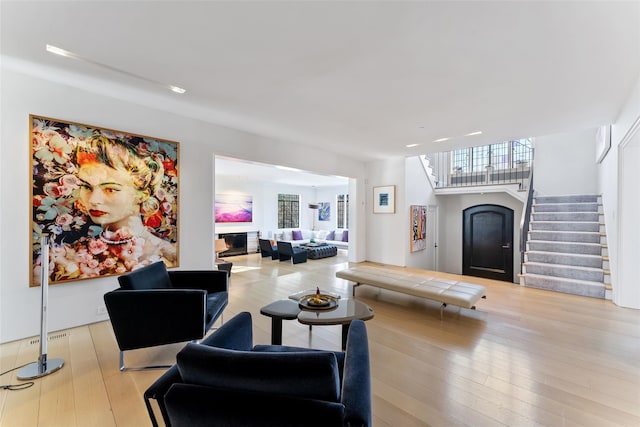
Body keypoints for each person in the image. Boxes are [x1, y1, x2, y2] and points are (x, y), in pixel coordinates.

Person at [37, 134, 177, 282]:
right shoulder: (62, 257)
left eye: (110, 189)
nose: (93, 200)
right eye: (86, 187)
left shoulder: (167, 254)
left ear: (142, 194)